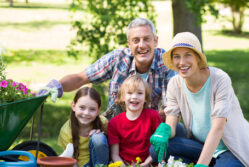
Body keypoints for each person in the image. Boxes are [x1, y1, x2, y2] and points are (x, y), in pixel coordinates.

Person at [150, 32, 249, 167]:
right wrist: (165, 130)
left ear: (197, 58)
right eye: (177, 56)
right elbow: (172, 125)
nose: (182, 62)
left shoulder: (220, 79)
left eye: (188, 55)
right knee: (156, 149)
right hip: (203, 147)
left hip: (232, 150)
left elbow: (218, 128)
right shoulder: (175, 84)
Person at [38, 17, 176, 120]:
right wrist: (56, 86)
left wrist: (138, 124)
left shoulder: (166, 64)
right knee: (97, 140)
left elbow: (170, 110)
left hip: (150, 127)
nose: (142, 45)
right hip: (114, 126)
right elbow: (81, 78)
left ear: (155, 41)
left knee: (177, 131)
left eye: (147, 39)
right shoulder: (118, 59)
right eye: (136, 40)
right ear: (129, 44)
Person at [107, 75, 162, 167]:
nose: (134, 97)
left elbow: (159, 145)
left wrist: (146, 164)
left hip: (150, 165)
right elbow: (114, 154)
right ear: (122, 97)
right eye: (129, 93)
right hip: (125, 166)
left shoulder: (153, 116)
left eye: (140, 93)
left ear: (145, 98)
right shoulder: (114, 123)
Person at [58, 87, 109, 167]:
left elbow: (111, 147)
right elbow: (72, 160)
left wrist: (104, 135)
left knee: (98, 138)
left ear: (98, 111)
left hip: (102, 166)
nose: (86, 113)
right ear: (73, 106)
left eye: (92, 109)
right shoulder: (66, 131)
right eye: (82, 107)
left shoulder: (103, 123)